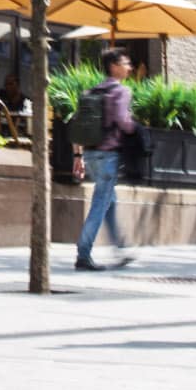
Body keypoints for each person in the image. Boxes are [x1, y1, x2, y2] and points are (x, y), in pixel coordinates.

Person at [72, 47, 139, 272]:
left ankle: (120, 249)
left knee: (109, 201)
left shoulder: (92, 91)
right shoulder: (121, 91)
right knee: (100, 204)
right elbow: (123, 121)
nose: (129, 66)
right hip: (109, 154)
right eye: (125, 62)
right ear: (114, 66)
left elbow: (76, 123)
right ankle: (83, 253)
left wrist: (78, 155)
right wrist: (136, 128)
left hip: (91, 154)